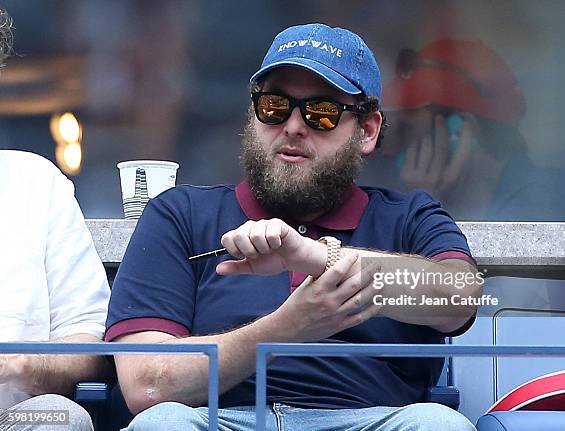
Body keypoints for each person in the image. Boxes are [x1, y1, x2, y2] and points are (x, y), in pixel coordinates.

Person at [106, 23, 481, 430]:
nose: (293, 126)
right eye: (274, 106)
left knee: (438, 424)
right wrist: (288, 327)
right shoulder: (182, 214)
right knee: (163, 424)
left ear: (368, 131)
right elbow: (146, 385)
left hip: (371, 420)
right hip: (217, 420)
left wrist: (319, 257)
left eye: (322, 112)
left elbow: (459, 296)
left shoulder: (407, 216)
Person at [0, 8, 110, 430]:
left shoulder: (36, 182)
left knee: (61, 418)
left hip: (13, 415)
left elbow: (85, 339)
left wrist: (22, 364)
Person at [365, 39, 565, 220]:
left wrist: (420, 210)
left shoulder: (544, 204)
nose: (390, 152)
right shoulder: (476, 206)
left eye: (407, 132)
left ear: (458, 132)